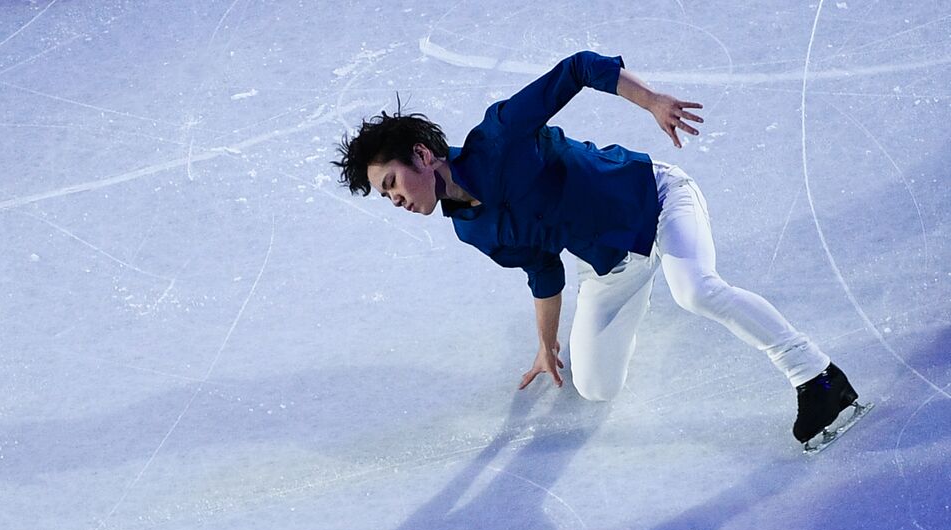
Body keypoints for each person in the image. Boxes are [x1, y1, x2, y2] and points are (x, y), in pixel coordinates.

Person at [332, 51, 861, 447]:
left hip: (656, 198)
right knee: (596, 387)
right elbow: (542, 272)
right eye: (387, 196)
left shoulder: (500, 137)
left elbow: (580, 67)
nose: (395, 199)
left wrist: (652, 101)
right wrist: (547, 346)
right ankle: (649, 280)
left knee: (695, 290)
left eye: (392, 183)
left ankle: (816, 375)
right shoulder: (473, 230)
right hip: (609, 267)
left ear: (423, 156)